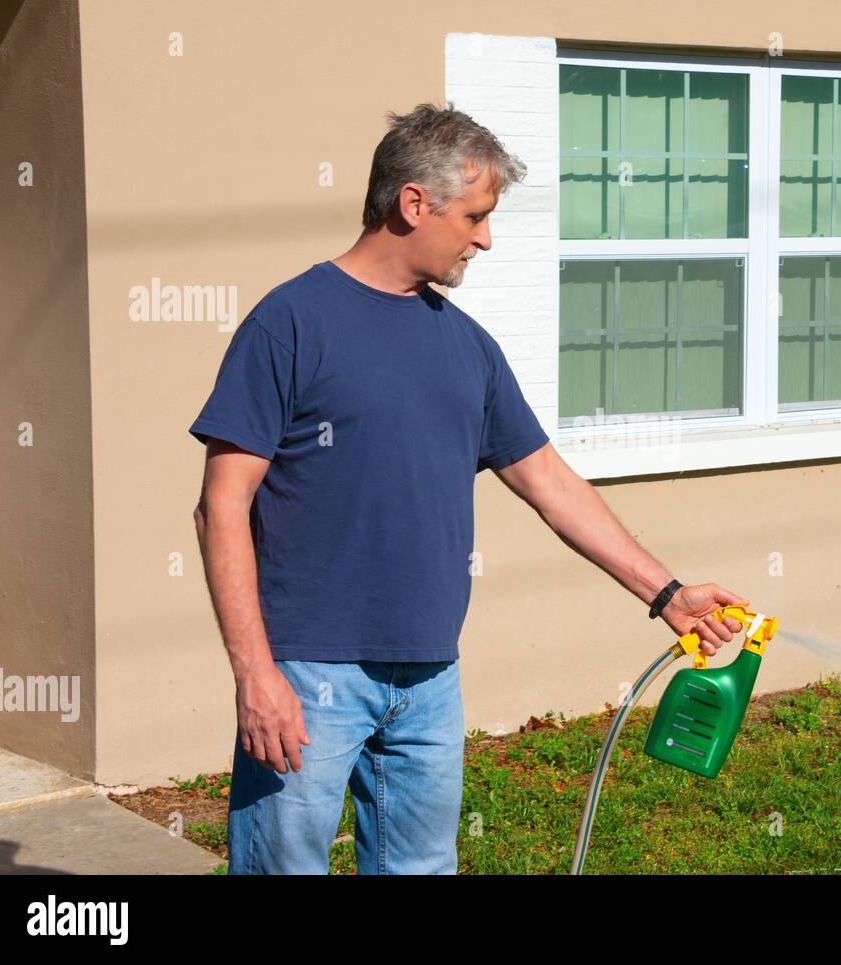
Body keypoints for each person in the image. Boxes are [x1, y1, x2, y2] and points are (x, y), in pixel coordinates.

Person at [190, 103, 750, 875]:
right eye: (476, 215)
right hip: (309, 674)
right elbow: (221, 504)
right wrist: (256, 674)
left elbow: (549, 481)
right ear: (413, 203)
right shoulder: (290, 323)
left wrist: (667, 593)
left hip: (429, 674)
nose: (485, 237)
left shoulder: (465, 345)